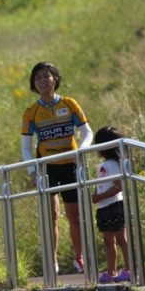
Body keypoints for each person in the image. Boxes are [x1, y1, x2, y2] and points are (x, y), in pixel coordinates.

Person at [21, 62, 93, 274]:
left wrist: (80, 151)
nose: (43, 81)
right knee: (51, 214)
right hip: (47, 167)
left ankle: (79, 258)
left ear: (55, 79)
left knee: (74, 216)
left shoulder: (70, 104)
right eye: (38, 78)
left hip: (70, 165)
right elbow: (25, 146)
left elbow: (87, 132)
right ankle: (51, 262)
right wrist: (32, 172)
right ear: (34, 84)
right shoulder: (31, 112)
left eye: (46, 76)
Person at [91, 126, 131, 283]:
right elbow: (100, 183)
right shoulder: (104, 165)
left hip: (114, 205)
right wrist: (96, 194)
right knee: (108, 241)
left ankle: (129, 269)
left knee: (121, 238)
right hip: (103, 207)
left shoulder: (112, 165)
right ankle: (111, 271)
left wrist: (100, 196)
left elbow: (118, 186)